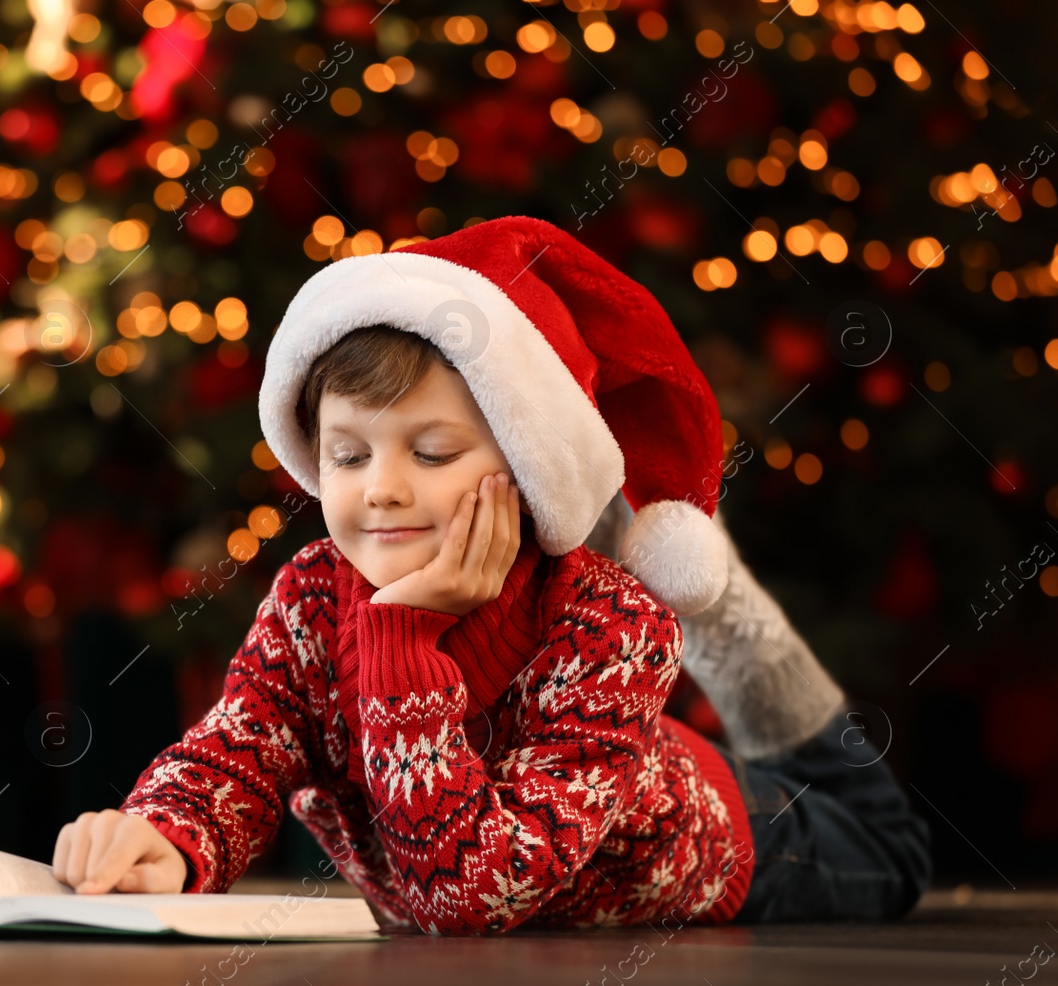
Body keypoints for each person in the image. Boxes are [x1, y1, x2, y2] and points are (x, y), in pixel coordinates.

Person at [50, 215, 931, 935]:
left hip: (724, 839)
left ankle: (729, 621)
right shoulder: (313, 598)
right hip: (508, 897)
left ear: (525, 462)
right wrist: (167, 835)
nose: (383, 489)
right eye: (348, 455)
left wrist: (402, 638)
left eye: (431, 452)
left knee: (893, 853)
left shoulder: (610, 623)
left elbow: (471, 893)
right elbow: (237, 754)